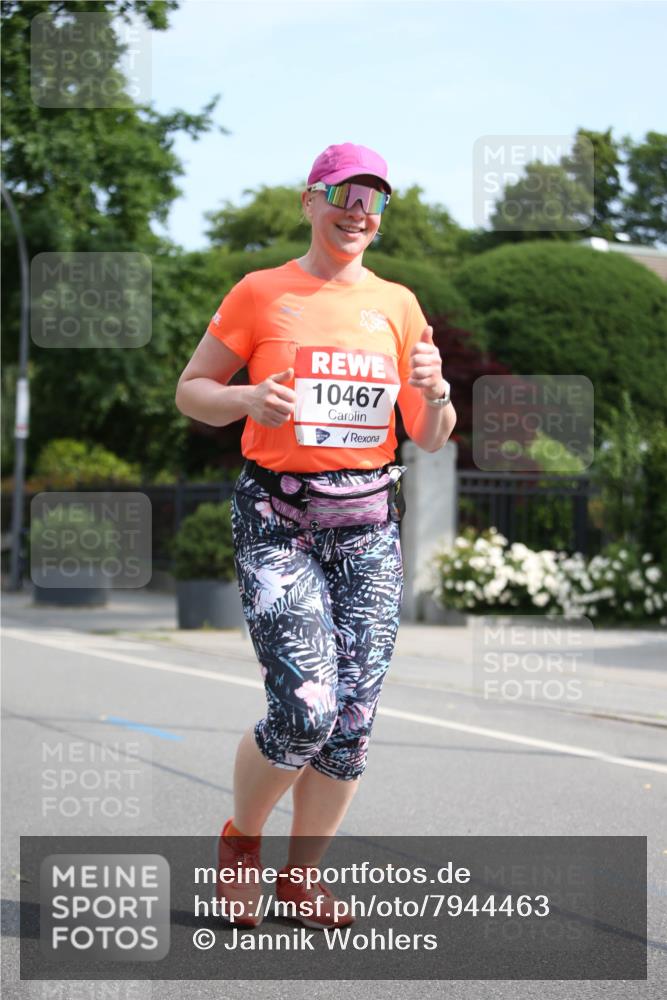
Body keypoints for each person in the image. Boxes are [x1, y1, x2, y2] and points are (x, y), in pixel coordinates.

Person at [175, 142, 457, 930]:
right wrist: (245, 402)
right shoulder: (261, 292)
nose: (358, 213)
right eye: (344, 196)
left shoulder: (398, 305)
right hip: (278, 524)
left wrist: (436, 395)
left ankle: (301, 880)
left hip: (367, 529)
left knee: (353, 719)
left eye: (373, 201)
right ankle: (240, 845)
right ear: (310, 201)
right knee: (304, 708)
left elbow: (428, 436)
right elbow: (192, 391)